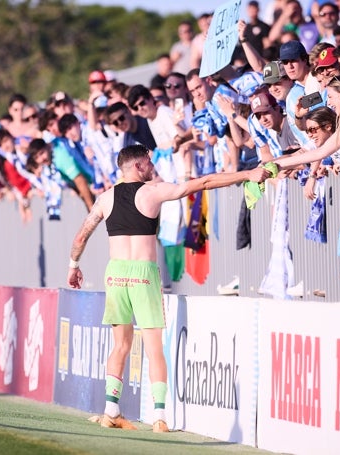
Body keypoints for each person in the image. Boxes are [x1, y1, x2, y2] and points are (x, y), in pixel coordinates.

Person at [67, 144, 270, 432]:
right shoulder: (152, 192)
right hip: (143, 274)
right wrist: (247, 173)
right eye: (149, 163)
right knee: (153, 348)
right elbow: (204, 181)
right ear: (138, 166)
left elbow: (80, 236)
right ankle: (160, 417)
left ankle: (110, 409)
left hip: (115, 273)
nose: (153, 168)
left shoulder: (105, 198)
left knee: (120, 345)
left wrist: (73, 265)